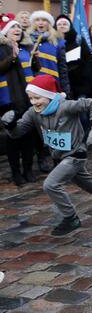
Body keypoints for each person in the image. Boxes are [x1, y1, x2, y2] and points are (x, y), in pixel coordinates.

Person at [2, 74, 92, 236]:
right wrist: (9, 125)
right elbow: (17, 133)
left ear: (49, 95)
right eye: (31, 98)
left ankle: (70, 218)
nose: (34, 102)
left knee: (50, 185)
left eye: (37, 97)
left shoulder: (66, 106)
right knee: (85, 182)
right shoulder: (33, 112)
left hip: (75, 154)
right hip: (59, 157)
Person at [0, 15, 38, 185]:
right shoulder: (1, 49)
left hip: (27, 98)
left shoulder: (25, 49)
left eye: (19, 28)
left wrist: (34, 59)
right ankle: (16, 172)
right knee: (13, 137)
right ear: (5, 32)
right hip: (8, 100)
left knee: (29, 135)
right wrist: (12, 57)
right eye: (13, 27)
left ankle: (28, 169)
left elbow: (33, 71)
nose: (17, 30)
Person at [28, 10, 71, 97]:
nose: (40, 23)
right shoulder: (26, 41)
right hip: (30, 85)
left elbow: (62, 68)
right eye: (37, 20)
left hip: (50, 85)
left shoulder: (57, 42)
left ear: (49, 23)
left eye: (44, 20)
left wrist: (65, 90)